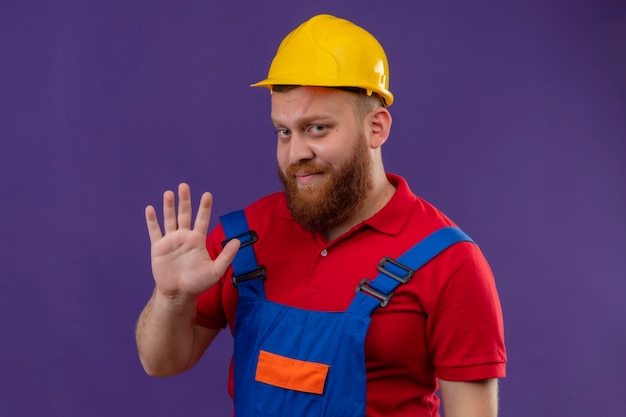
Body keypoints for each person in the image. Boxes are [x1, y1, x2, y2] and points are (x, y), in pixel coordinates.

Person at [136, 14, 506, 417]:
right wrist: (172, 297)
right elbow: (162, 363)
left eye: (317, 129)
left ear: (376, 128)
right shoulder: (241, 240)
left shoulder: (449, 263)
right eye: (284, 131)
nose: (296, 154)